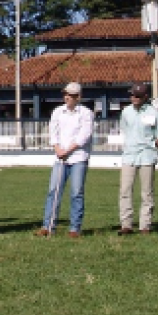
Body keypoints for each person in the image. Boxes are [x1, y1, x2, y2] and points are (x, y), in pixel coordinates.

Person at [36, 82, 94, 238]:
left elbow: (84, 136)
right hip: (60, 158)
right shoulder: (58, 112)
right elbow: (53, 132)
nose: (67, 97)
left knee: (76, 192)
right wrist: (57, 149)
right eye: (65, 94)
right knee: (53, 191)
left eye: (70, 95)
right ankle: (48, 226)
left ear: (78, 97)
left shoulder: (86, 113)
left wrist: (68, 150)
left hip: (78, 157)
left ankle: (75, 227)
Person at [117, 83, 158, 235]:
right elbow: (124, 129)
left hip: (147, 155)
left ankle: (145, 225)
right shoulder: (126, 112)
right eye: (132, 95)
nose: (134, 98)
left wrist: (157, 142)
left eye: (137, 96)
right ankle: (126, 224)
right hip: (129, 154)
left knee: (147, 192)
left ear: (145, 97)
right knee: (125, 190)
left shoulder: (154, 113)